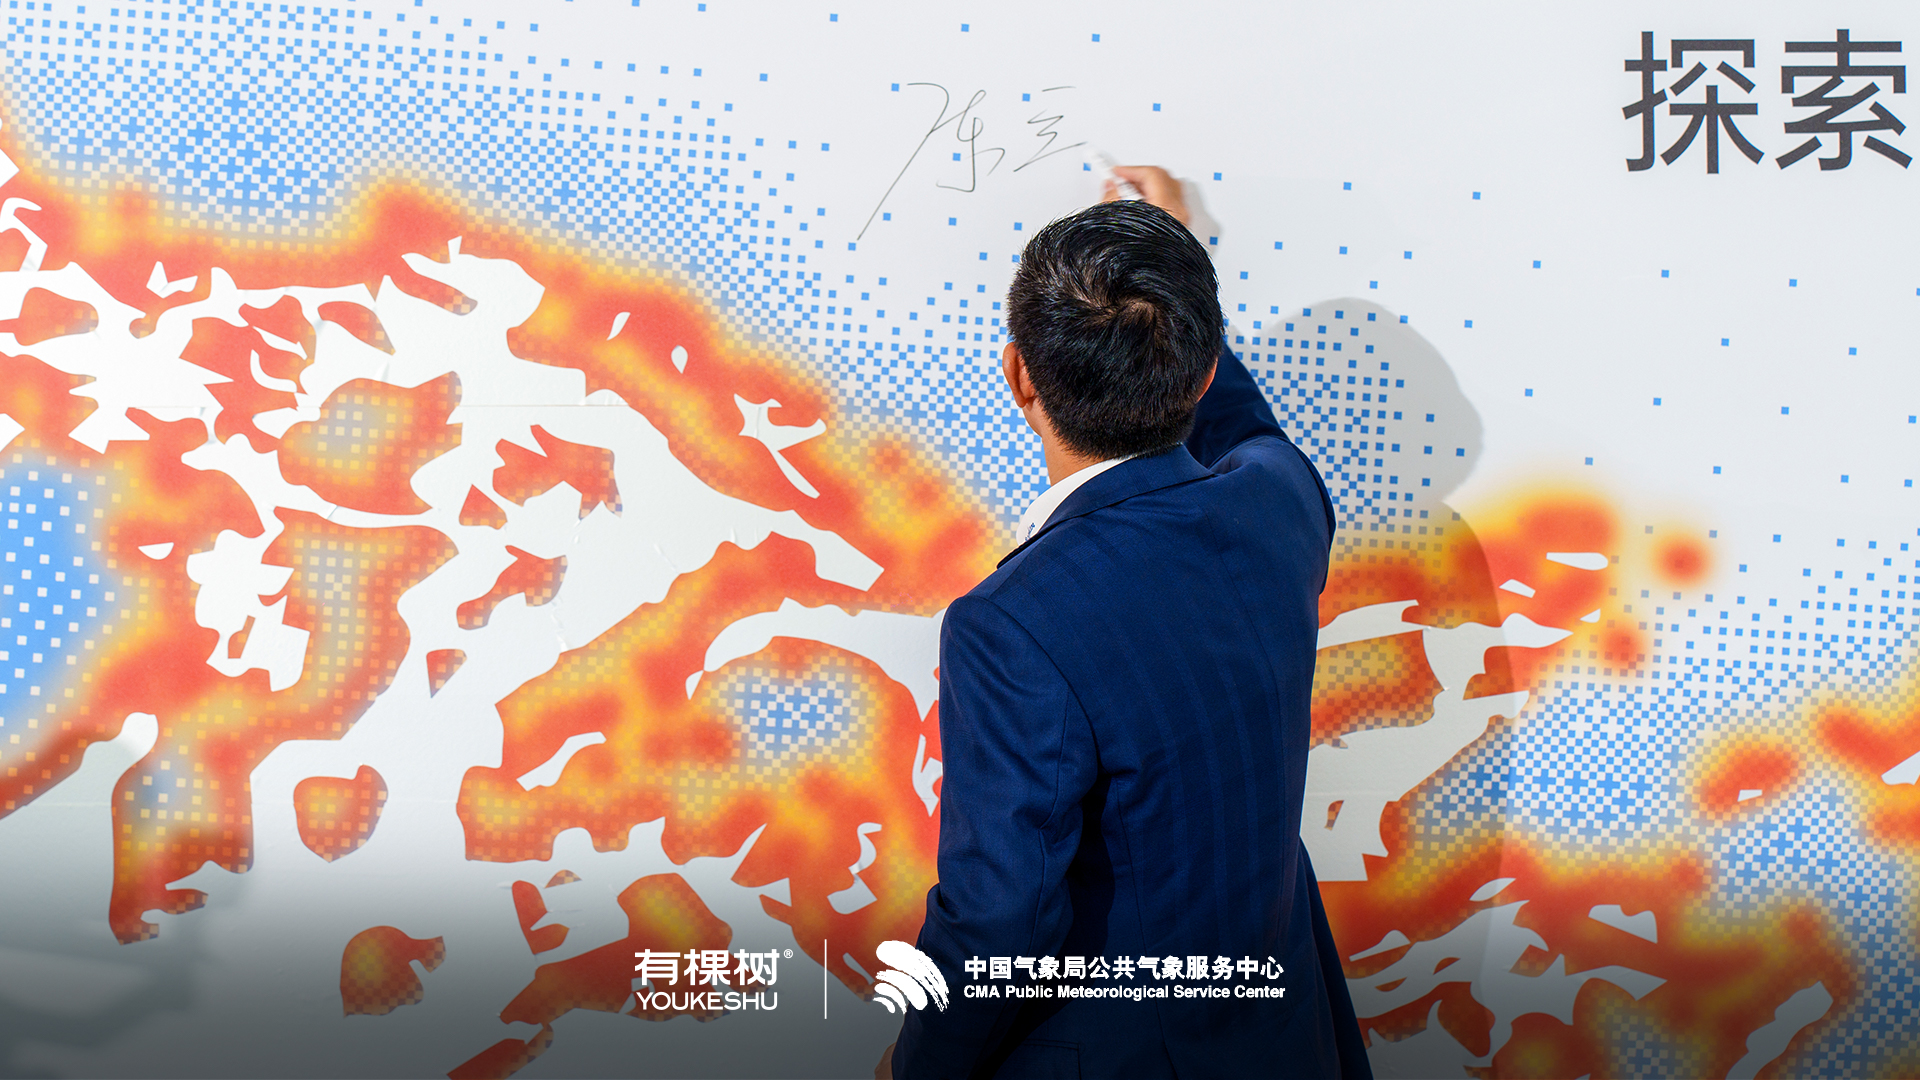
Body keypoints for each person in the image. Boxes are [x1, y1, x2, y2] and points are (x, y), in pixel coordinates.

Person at [880, 168, 1371, 1080]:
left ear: (1017, 375)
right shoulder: (1281, 506)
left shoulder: (1009, 623)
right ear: (1206, 370)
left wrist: (916, 1068)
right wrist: (1174, 275)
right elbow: (1249, 430)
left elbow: (999, 919)